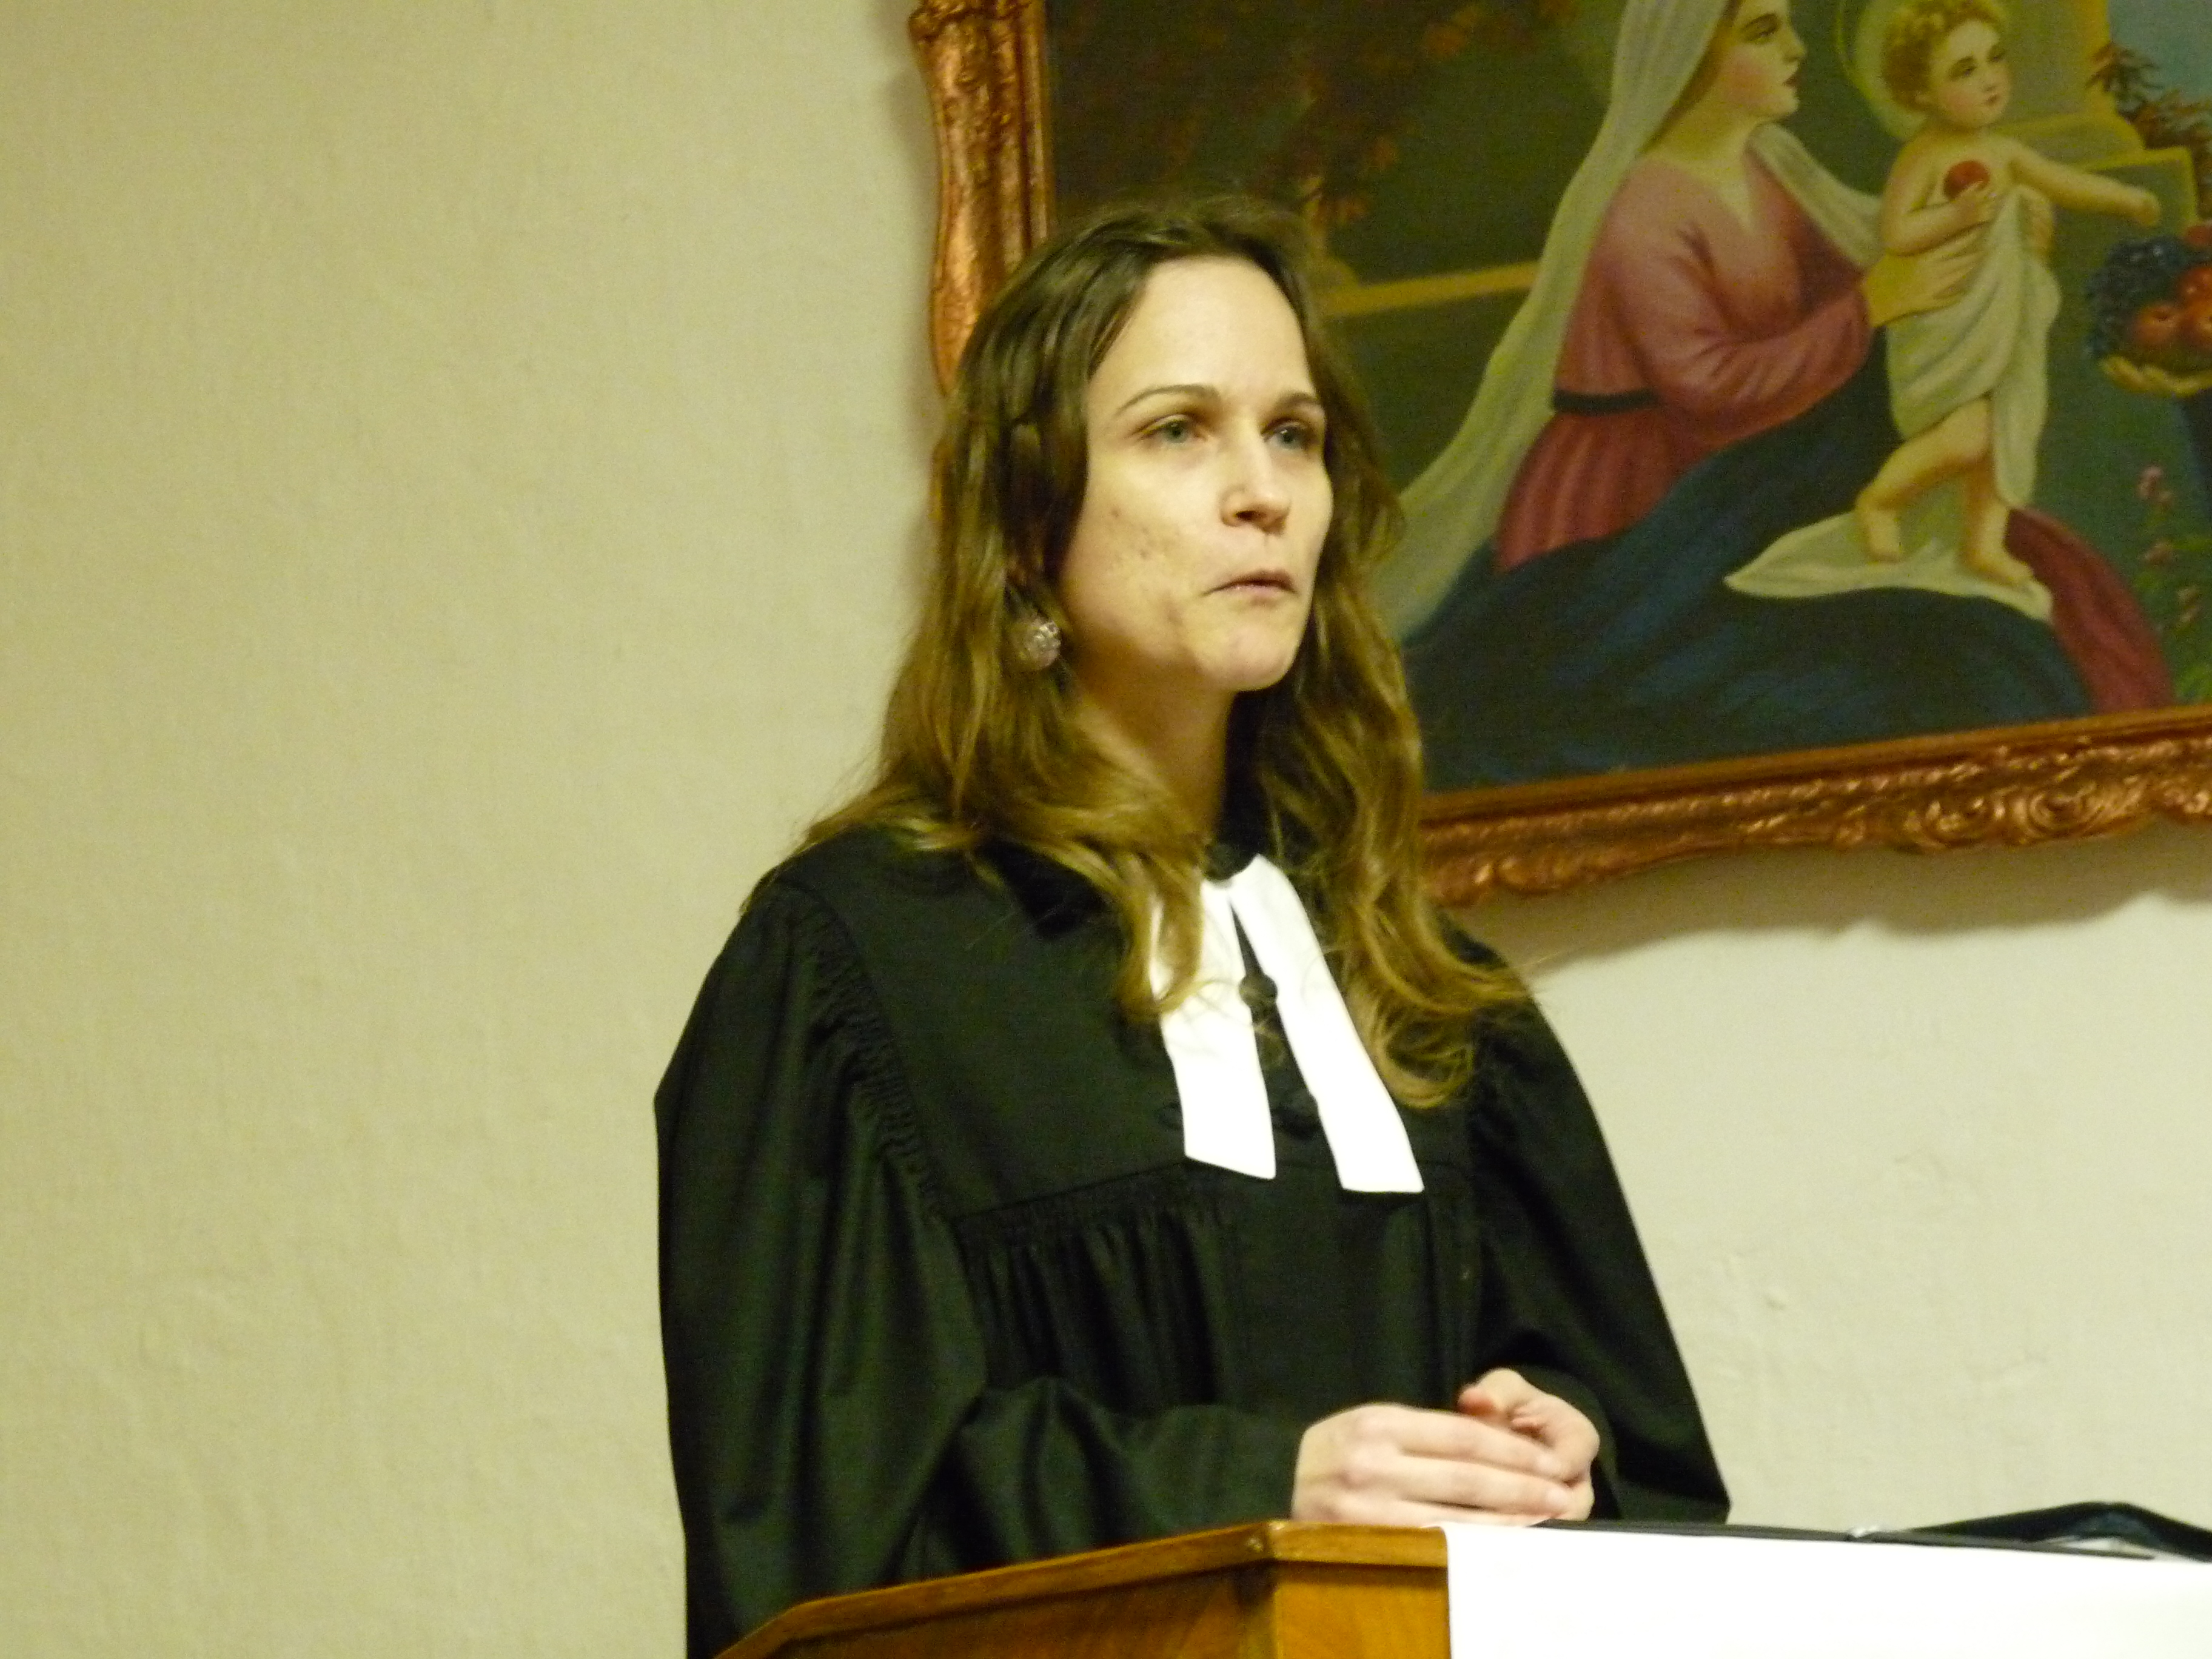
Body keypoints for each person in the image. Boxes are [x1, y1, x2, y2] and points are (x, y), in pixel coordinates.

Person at [656, 198, 1726, 1654]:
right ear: (1027, 519)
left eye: (1293, 434)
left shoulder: (1422, 978)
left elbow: (1664, 1492)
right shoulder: (854, 970)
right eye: (1177, 431)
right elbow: (814, 1533)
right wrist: (1263, 1495)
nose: (1262, 493)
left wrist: (1554, 1452)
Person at [1375, 0, 2170, 792]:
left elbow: (1852, 268)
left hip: (1754, 465)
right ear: (1694, 61)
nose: (1795, 49)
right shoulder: (1645, 211)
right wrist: (1873, 306)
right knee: (1851, 671)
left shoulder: (1767, 164)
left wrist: (1988, 234)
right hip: (1640, 500)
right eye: (1763, 31)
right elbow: (1709, 387)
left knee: (2015, 582)